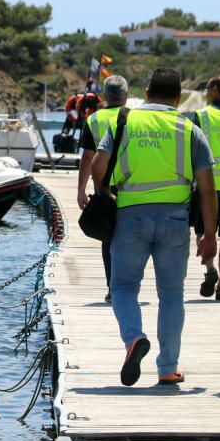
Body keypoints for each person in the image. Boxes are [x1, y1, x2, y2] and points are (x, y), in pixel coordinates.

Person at [92, 68, 218, 387]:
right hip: (175, 219)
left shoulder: (125, 120)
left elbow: (98, 165)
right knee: (172, 294)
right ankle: (167, 368)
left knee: (122, 288)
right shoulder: (189, 129)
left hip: (130, 215)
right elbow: (207, 188)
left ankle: (134, 338)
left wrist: (105, 193)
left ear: (146, 92)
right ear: (178, 97)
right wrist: (209, 234)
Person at [77, 75, 129, 300]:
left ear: (105, 97)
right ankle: (128, 284)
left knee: (108, 237)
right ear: (126, 95)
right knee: (129, 238)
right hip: (130, 186)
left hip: (103, 187)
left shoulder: (94, 119)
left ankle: (111, 287)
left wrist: (80, 190)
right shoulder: (133, 118)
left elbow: (88, 157)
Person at [191, 75, 220, 300]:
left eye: (208, 87)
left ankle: (210, 270)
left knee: (202, 232)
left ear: (216, 90)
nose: (207, 91)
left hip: (206, 187)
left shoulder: (201, 116)